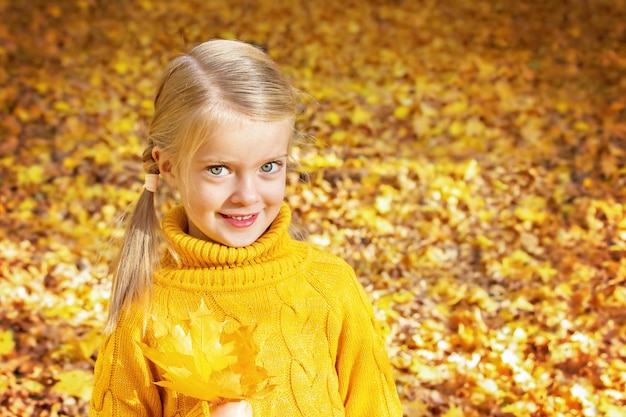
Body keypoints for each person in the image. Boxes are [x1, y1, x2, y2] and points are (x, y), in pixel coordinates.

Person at [90, 38, 402, 417]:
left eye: (269, 166)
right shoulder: (144, 310)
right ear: (168, 166)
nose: (247, 195)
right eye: (218, 169)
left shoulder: (331, 287)